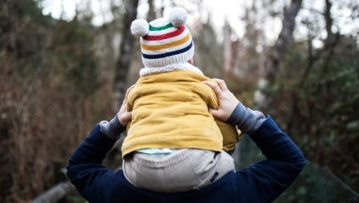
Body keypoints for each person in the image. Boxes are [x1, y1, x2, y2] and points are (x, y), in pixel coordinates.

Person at [67, 78, 307, 203]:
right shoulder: (229, 193)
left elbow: (79, 167)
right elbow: (290, 161)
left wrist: (116, 124)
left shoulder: (119, 192)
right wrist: (241, 114)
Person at [120, 7, 241, 192]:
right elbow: (223, 125)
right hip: (192, 163)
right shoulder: (204, 85)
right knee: (226, 164)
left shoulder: (135, 91)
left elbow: (131, 125)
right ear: (189, 59)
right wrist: (228, 144)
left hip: (138, 167)